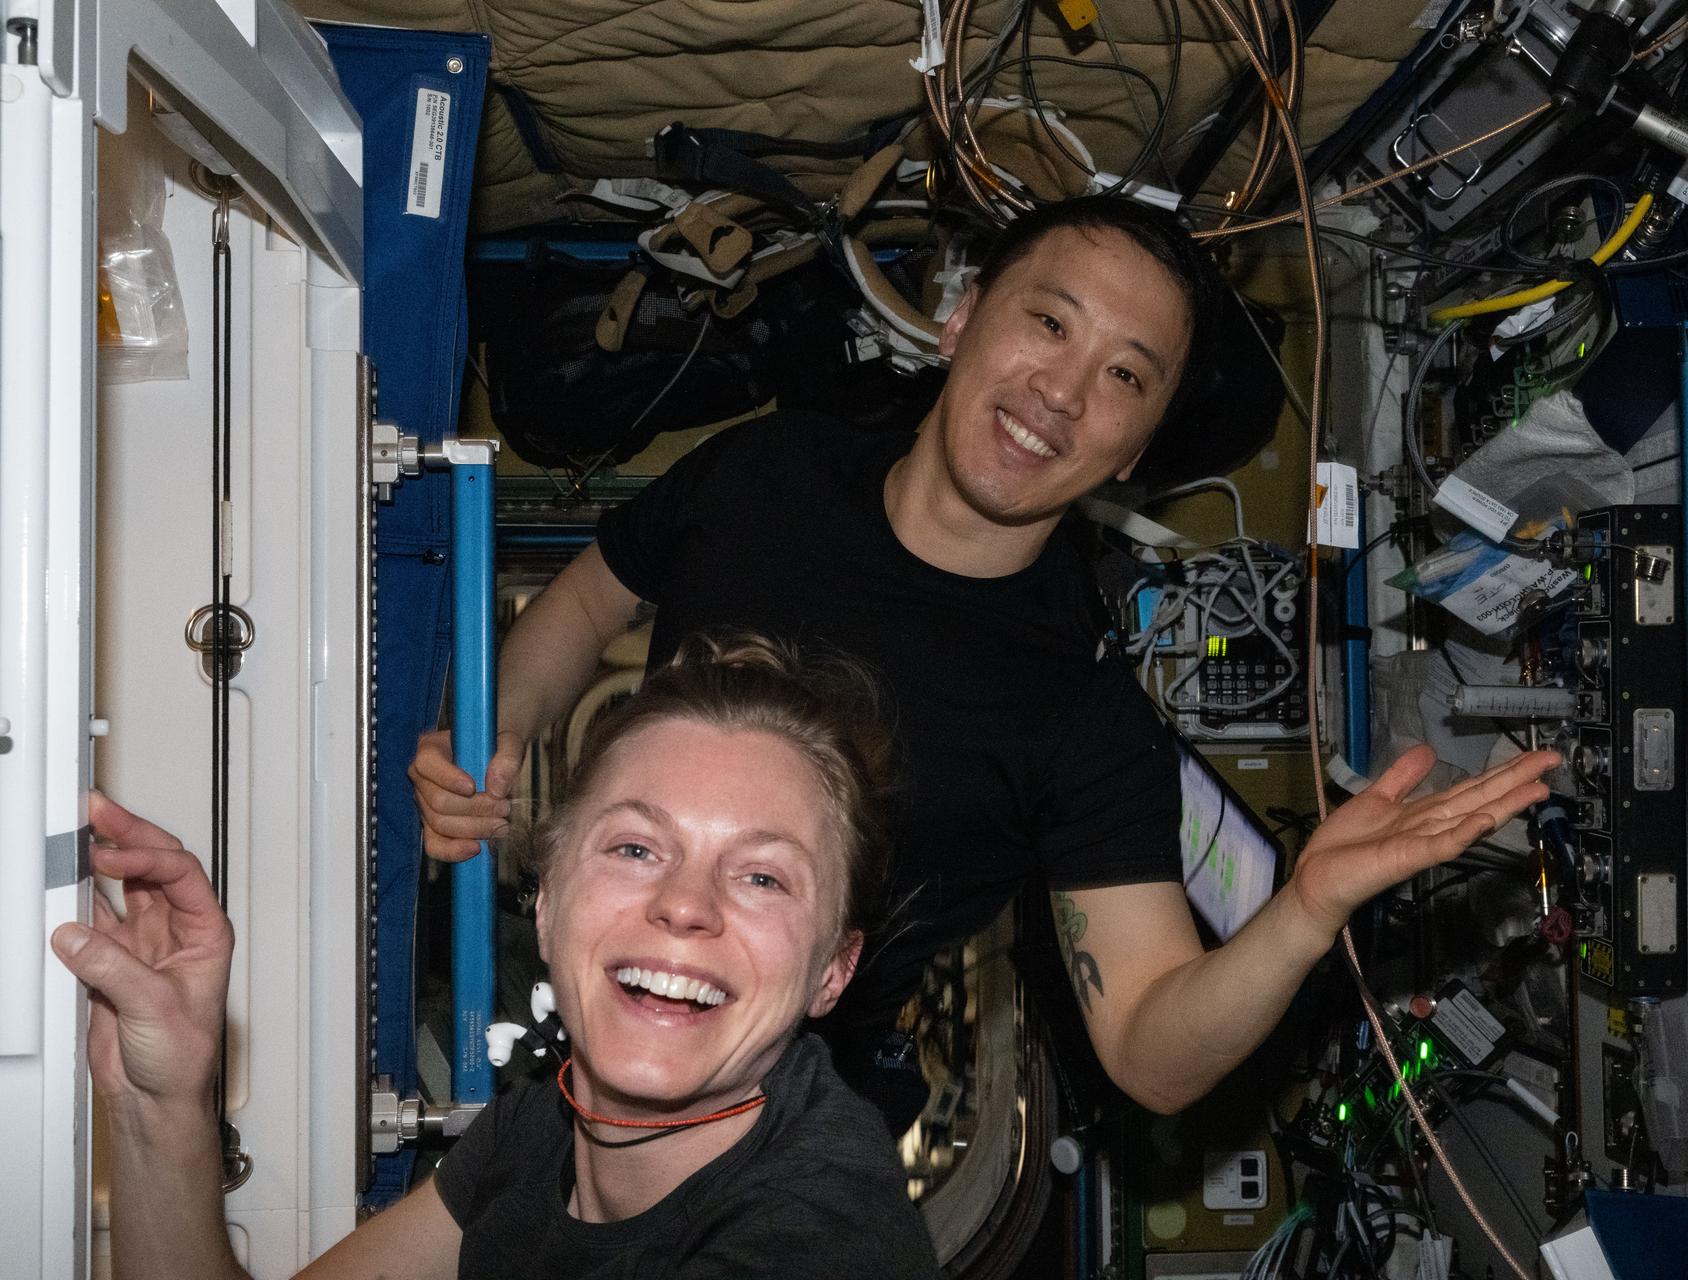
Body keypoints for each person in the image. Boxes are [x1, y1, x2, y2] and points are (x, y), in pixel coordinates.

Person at [411, 195, 1558, 1120]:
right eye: (1049, 323)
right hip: (584, 966)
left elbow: (1151, 1053)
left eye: (1123, 375)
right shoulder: (768, 472)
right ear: (960, 319)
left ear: (1134, 450)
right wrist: (493, 737)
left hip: (781, 1105)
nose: (1060, 393)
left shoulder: (1083, 713)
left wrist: (1304, 910)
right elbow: (586, 595)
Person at [54, 636, 942, 1280]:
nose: (683, 905)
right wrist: (158, 1099)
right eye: (636, 849)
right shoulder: (545, 1124)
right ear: (548, 903)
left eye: (760, 877)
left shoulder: (821, 1243)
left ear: (835, 969)